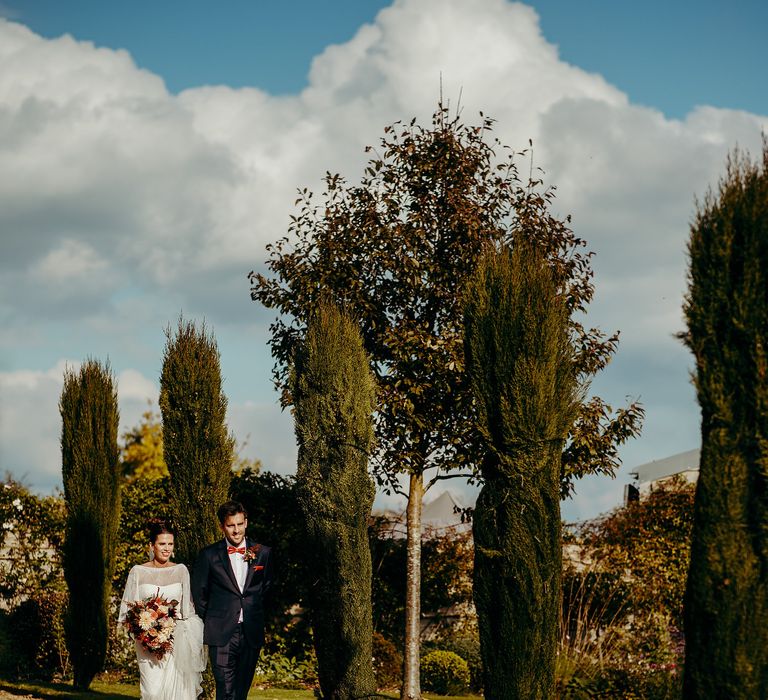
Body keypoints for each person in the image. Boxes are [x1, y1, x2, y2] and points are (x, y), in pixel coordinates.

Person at [192, 501, 273, 700]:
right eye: (230, 525)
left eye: (239, 524)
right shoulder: (209, 555)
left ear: (246, 523)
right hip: (221, 632)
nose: (236, 530)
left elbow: (267, 589)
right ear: (222, 526)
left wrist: (254, 613)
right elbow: (199, 593)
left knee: (241, 691)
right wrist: (214, 618)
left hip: (250, 632)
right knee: (225, 689)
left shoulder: (263, 553)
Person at [119, 519, 206, 700]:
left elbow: (187, 609)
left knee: (178, 691)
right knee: (151, 691)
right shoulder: (138, 571)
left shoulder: (181, 570)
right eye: (162, 544)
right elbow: (129, 610)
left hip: (176, 641)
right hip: (146, 642)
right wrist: (144, 631)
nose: (167, 548)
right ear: (152, 545)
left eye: (170, 544)